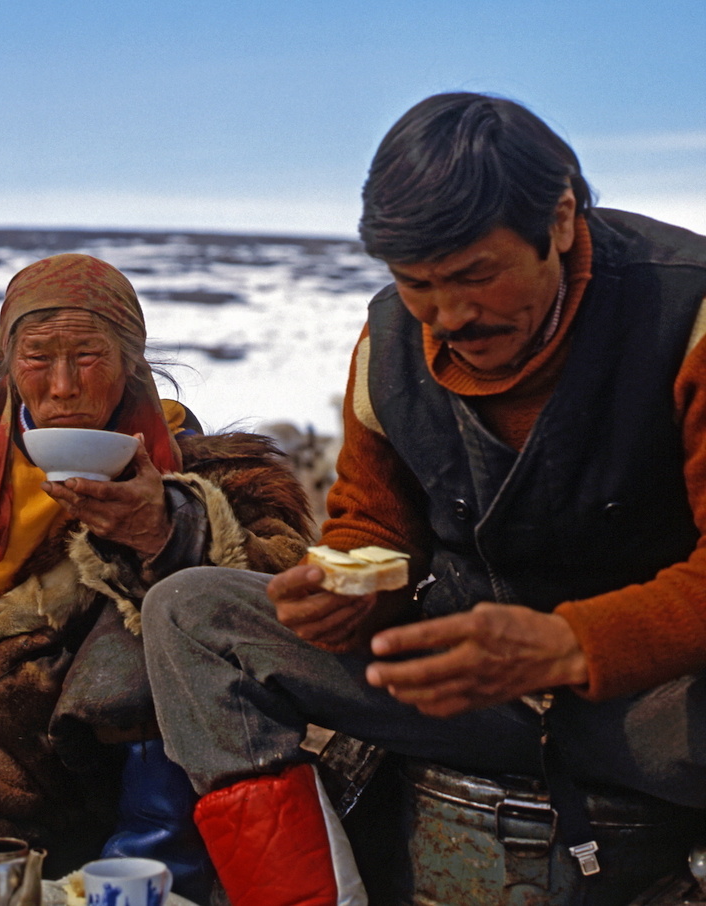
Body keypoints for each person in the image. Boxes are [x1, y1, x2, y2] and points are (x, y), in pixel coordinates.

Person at [142, 92, 706, 905]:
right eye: (417, 284)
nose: (448, 316)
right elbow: (372, 523)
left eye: (477, 276)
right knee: (192, 613)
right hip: (456, 687)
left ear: (559, 219)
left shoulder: (686, 317)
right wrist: (347, 590)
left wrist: (569, 645)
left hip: (650, 710)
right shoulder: (391, 342)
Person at [0, 253, 313, 896]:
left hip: (107, 724)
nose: (63, 386)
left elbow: (258, 587)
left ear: (131, 362)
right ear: (7, 365)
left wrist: (160, 529)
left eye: (89, 357)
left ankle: (145, 864)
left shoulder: (183, 465)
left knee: (153, 619)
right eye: (39, 358)